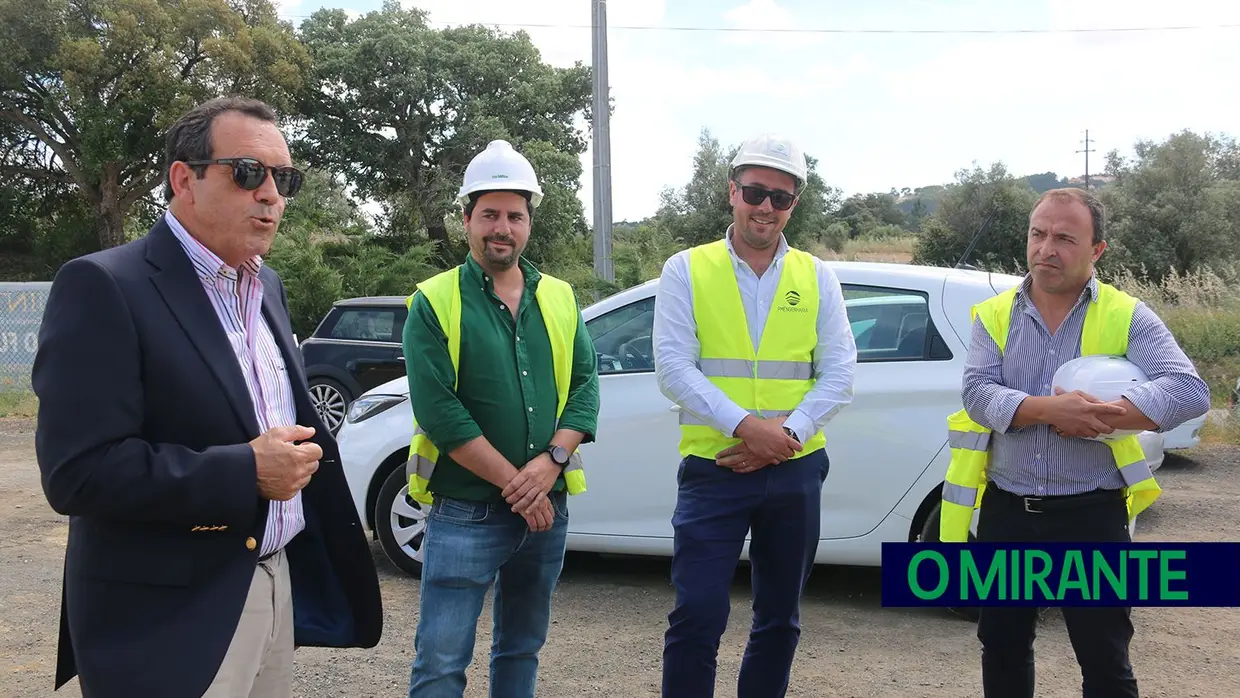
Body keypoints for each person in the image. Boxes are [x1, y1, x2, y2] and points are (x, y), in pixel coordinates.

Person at [31, 96, 384, 698]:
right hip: (170, 616)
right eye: (248, 172)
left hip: (273, 582)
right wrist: (245, 471)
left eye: (284, 178)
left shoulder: (265, 283)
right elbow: (78, 473)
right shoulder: (104, 286)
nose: (271, 194)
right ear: (183, 179)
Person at [946, 187, 1212, 697]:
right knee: (1002, 651)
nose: (1047, 249)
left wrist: (1110, 417)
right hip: (1009, 515)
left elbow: (1190, 390)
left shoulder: (1125, 314)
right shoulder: (995, 313)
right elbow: (978, 394)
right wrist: (1050, 411)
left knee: (1105, 662)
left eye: (1065, 238)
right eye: (1038, 234)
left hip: (1092, 516)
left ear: (1097, 251)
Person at [652, 133, 857, 697]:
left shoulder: (817, 277)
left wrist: (785, 435)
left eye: (780, 197)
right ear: (732, 192)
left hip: (794, 469)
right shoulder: (685, 270)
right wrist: (750, 429)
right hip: (714, 466)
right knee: (697, 614)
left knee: (779, 619)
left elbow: (839, 372)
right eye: (755, 192)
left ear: (794, 204)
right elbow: (673, 368)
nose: (766, 207)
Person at [402, 139, 600, 698]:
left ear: (529, 223)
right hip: (466, 513)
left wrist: (553, 462)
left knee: (521, 649)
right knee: (441, 664)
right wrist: (521, 485)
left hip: (546, 511)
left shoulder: (560, 298)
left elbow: (585, 388)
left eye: (515, 215)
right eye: (489, 214)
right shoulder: (433, 302)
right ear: (466, 219)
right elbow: (441, 412)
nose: (502, 228)